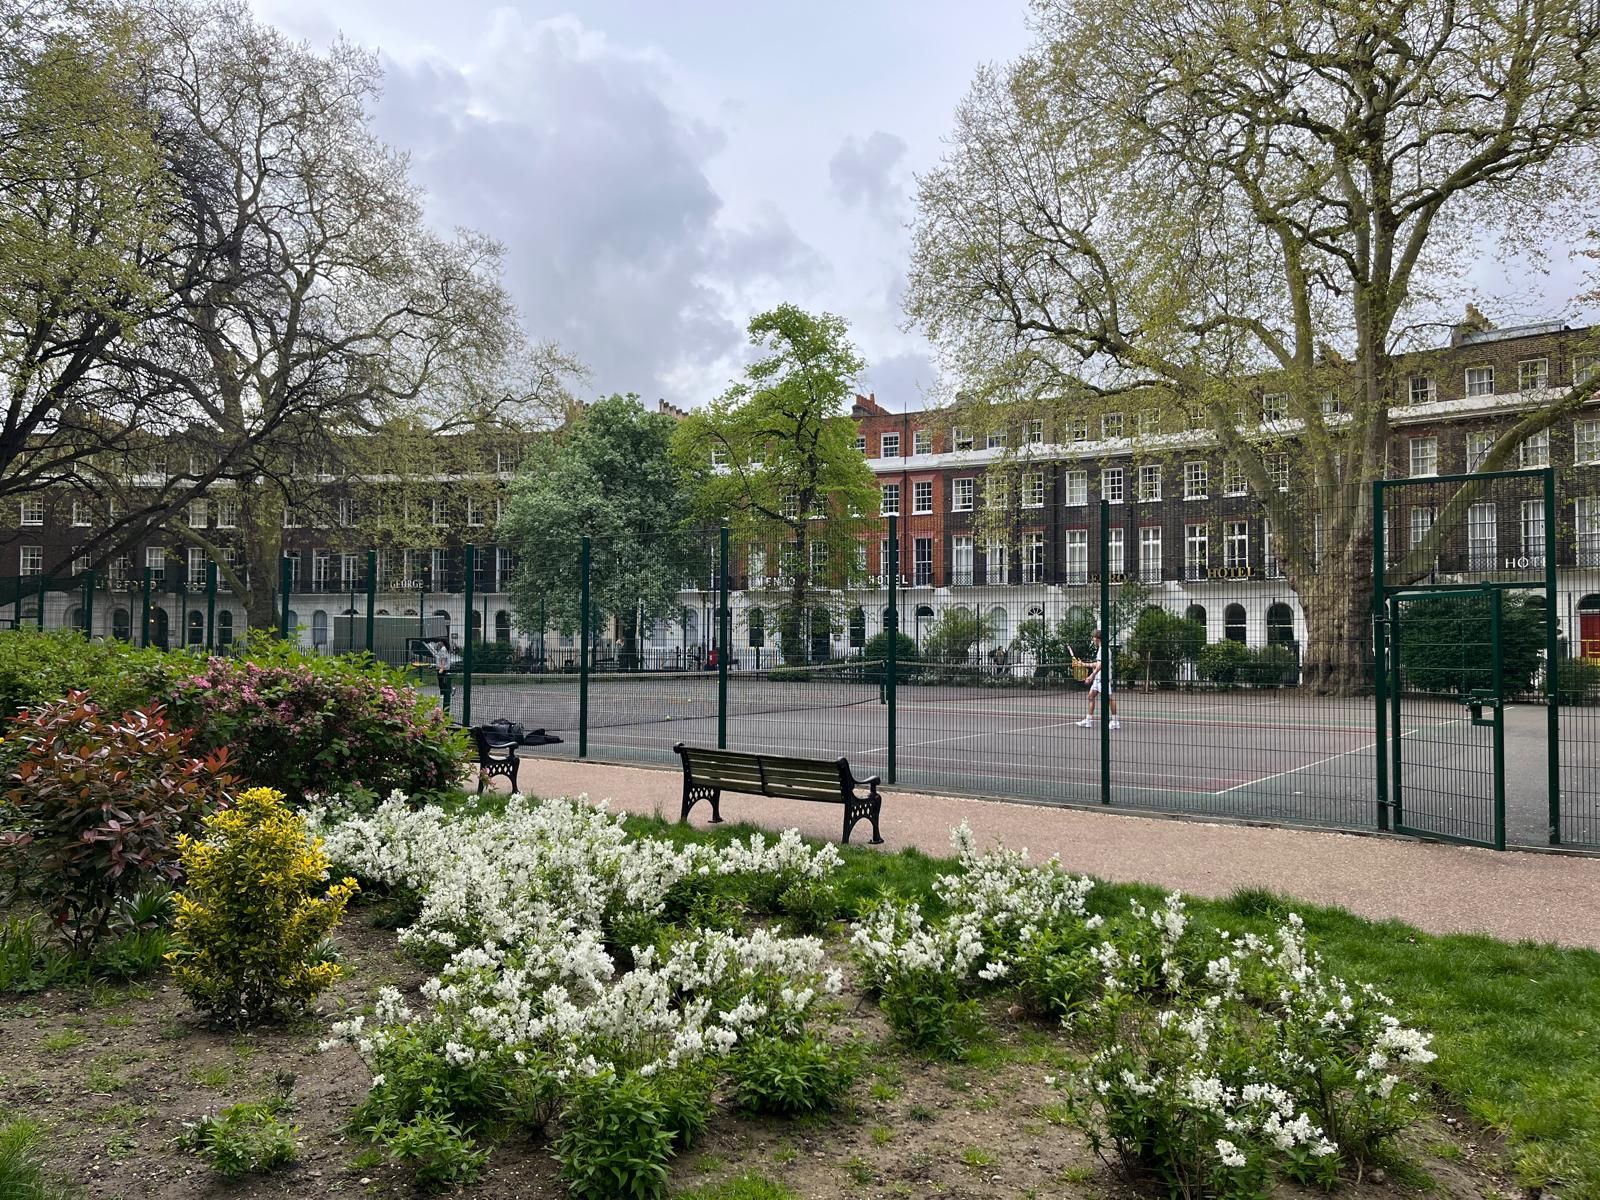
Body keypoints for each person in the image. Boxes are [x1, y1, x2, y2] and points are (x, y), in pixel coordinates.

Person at [1076, 629, 1120, 729]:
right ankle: (1088, 721)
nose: (1093, 639)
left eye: (1094, 637)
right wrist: (1084, 664)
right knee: (1091, 696)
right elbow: (1097, 663)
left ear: (1097, 638)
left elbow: (1101, 665)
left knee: (1110, 699)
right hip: (1098, 678)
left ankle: (1115, 722)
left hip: (1103, 678)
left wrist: (1092, 675)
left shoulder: (1104, 649)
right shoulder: (1101, 649)